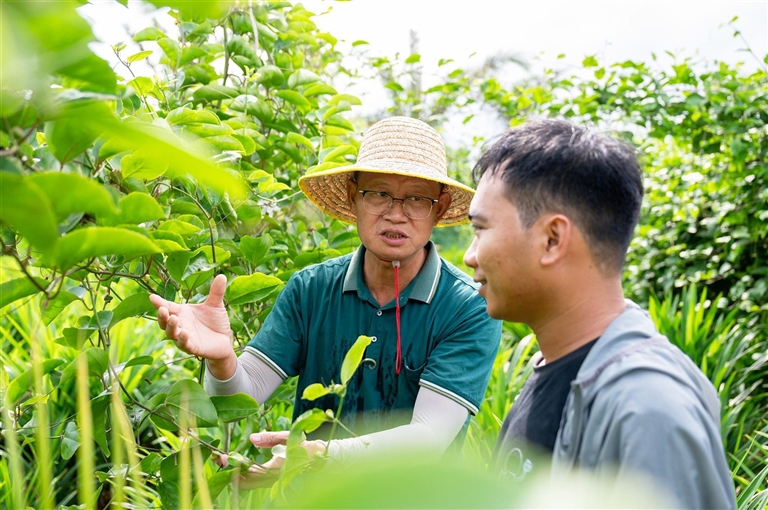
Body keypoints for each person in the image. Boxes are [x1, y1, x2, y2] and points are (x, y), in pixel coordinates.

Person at [150, 116, 502, 474]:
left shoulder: (467, 307)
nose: (396, 214)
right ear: (353, 197)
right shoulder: (311, 289)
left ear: (438, 208)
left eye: (416, 199)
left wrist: (321, 454)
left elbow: (427, 438)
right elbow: (244, 392)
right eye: (379, 193)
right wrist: (222, 359)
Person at [463, 119, 735, 508]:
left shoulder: (648, 408)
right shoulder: (557, 368)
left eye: (480, 229)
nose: (470, 255)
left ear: (552, 239)